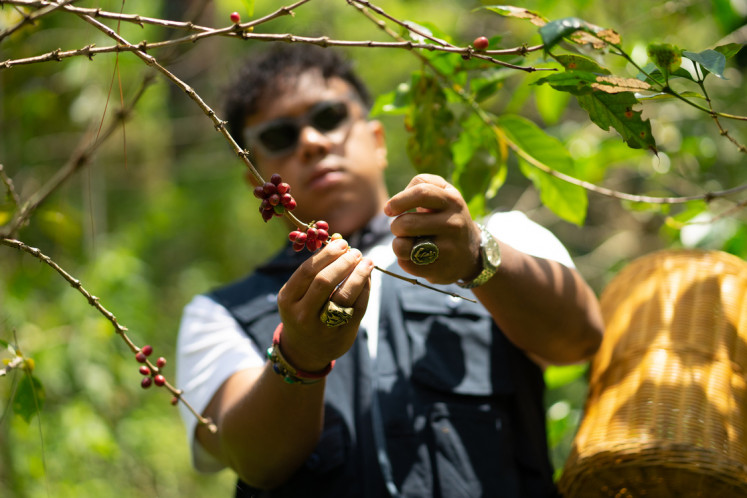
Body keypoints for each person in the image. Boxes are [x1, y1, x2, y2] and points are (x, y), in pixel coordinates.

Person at [176, 43, 604, 498]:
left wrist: (478, 258)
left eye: (328, 117)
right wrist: (298, 357)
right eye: (280, 137)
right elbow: (254, 461)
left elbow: (579, 339)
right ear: (258, 181)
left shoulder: (496, 236)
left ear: (377, 140)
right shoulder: (220, 313)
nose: (312, 143)